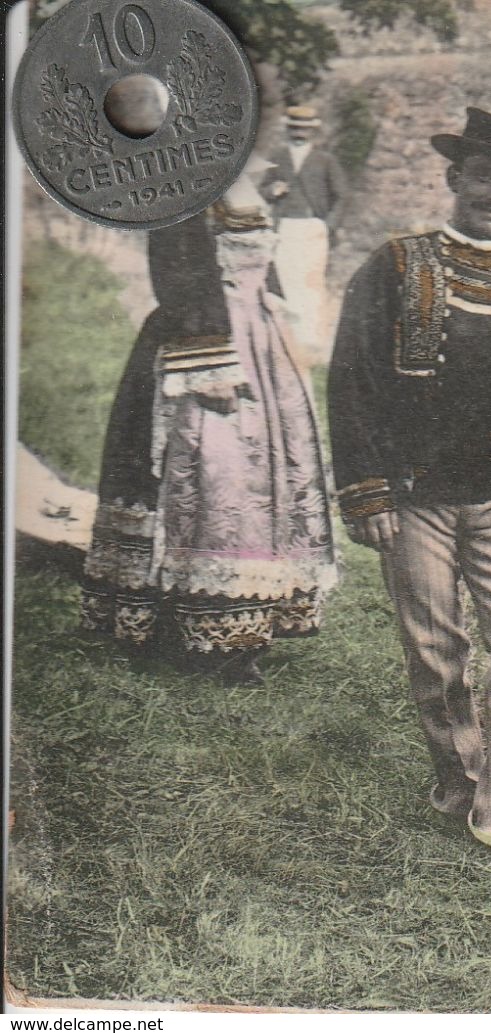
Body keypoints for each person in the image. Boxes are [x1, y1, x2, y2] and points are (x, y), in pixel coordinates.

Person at [327, 108, 491, 868]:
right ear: (454, 178)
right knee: (436, 650)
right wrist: (366, 490)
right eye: (485, 177)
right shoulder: (394, 264)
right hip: (413, 493)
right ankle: (461, 779)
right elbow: (351, 380)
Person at [80, 156, 338, 687]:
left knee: (264, 480)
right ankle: (189, 628)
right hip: (203, 345)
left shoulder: (247, 179)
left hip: (261, 344)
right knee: (212, 475)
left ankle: (249, 619)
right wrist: (206, 361)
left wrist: (283, 332)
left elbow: (265, 271)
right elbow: (176, 270)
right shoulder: (182, 179)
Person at [262, 105, 347, 365]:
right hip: (285, 226)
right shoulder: (278, 156)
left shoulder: (325, 159)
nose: (299, 133)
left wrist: (327, 226)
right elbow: (264, 189)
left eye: (304, 129)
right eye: (294, 128)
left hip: (312, 227)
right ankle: (287, 335)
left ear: (312, 131)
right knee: (285, 279)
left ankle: (310, 338)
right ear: (288, 128)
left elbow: (341, 196)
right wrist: (272, 190)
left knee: (310, 281)